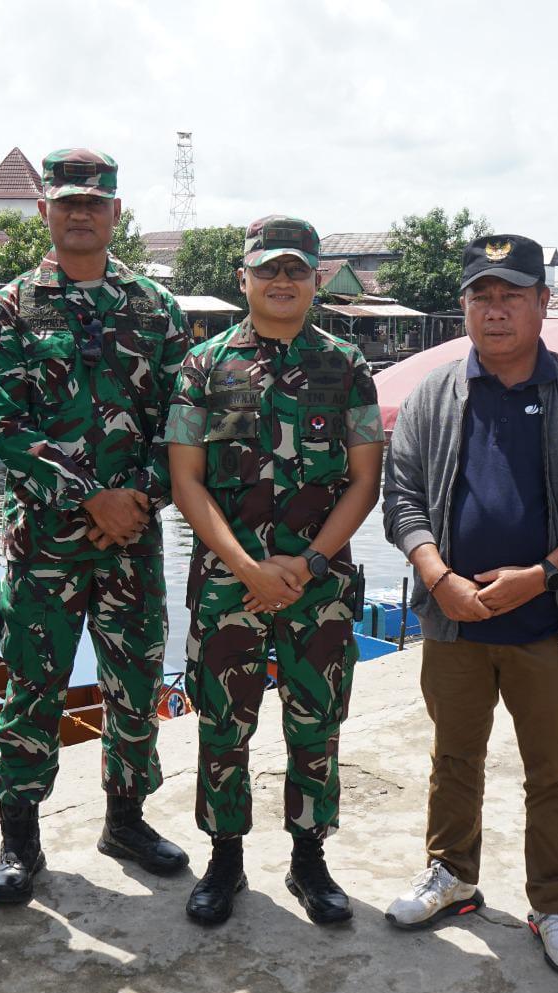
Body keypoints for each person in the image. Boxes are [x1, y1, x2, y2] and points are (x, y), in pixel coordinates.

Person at [381, 234, 558, 973]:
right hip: (453, 620)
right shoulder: (434, 394)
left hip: (546, 622)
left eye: (512, 296)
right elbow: (402, 500)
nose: (495, 311)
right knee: (453, 757)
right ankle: (452, 874)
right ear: (465, 306)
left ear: (542, 303)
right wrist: (439, 579)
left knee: (552, 769)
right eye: (482, 296)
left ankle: (553, 902)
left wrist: (543, 575)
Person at [0, 149, 190, 904]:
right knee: (33, 686)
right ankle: (19, 838)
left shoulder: (154, 308)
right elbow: (2, 424)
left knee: (134, 681)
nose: (79, 213)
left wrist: (139, 500)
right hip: (44, 542)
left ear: (115, 213)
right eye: (66, 201)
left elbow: (183, 423)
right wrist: (90, 499)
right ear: (44, 211)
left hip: (132, 539)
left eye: (94, 203)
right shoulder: (10, 309)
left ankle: (126, 820)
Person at [167, 215, 385, 926]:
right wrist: (245, 568)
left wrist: (311, 561)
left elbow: (365, 480)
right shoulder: (203, 365)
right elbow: (186, 480)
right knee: (222, 725)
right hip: (228, 582)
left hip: (319, 586)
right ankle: (224, 858)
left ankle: (308, 858)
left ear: (316, 279)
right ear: (244, 279)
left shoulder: (347, 366)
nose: (282, 280)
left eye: (295, 268)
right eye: (268, 268)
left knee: (316, 721)